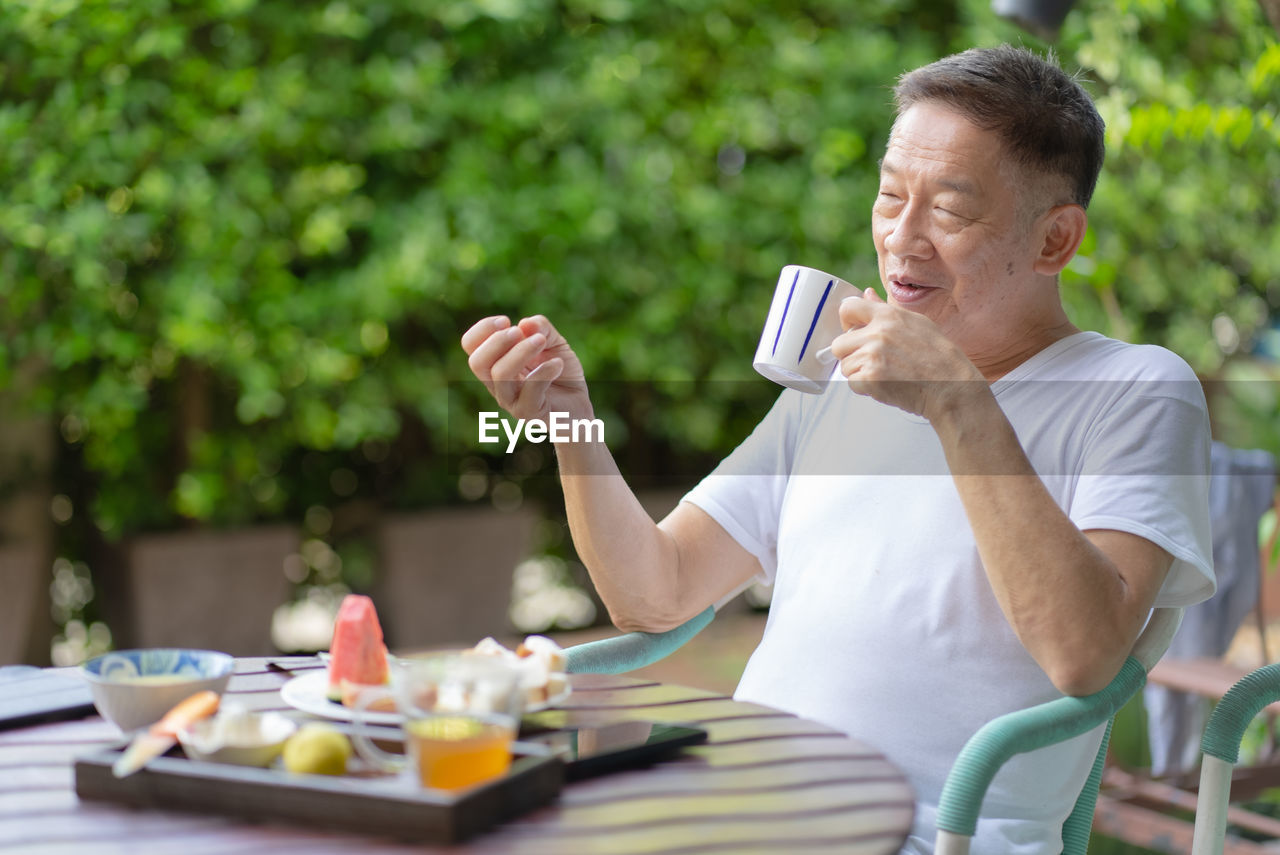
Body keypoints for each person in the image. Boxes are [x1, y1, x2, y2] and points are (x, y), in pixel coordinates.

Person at [460, 45, 1213, 854]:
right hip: (738, 806)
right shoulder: (838, 374)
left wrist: (959, 403)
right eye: (890, 196)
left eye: (951, 211)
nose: (901, 238)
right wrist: (571, 420)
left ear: (1055, 240)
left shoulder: (1138, 390)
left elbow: (1085, 655)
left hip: (929, 834)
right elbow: (657, 591)